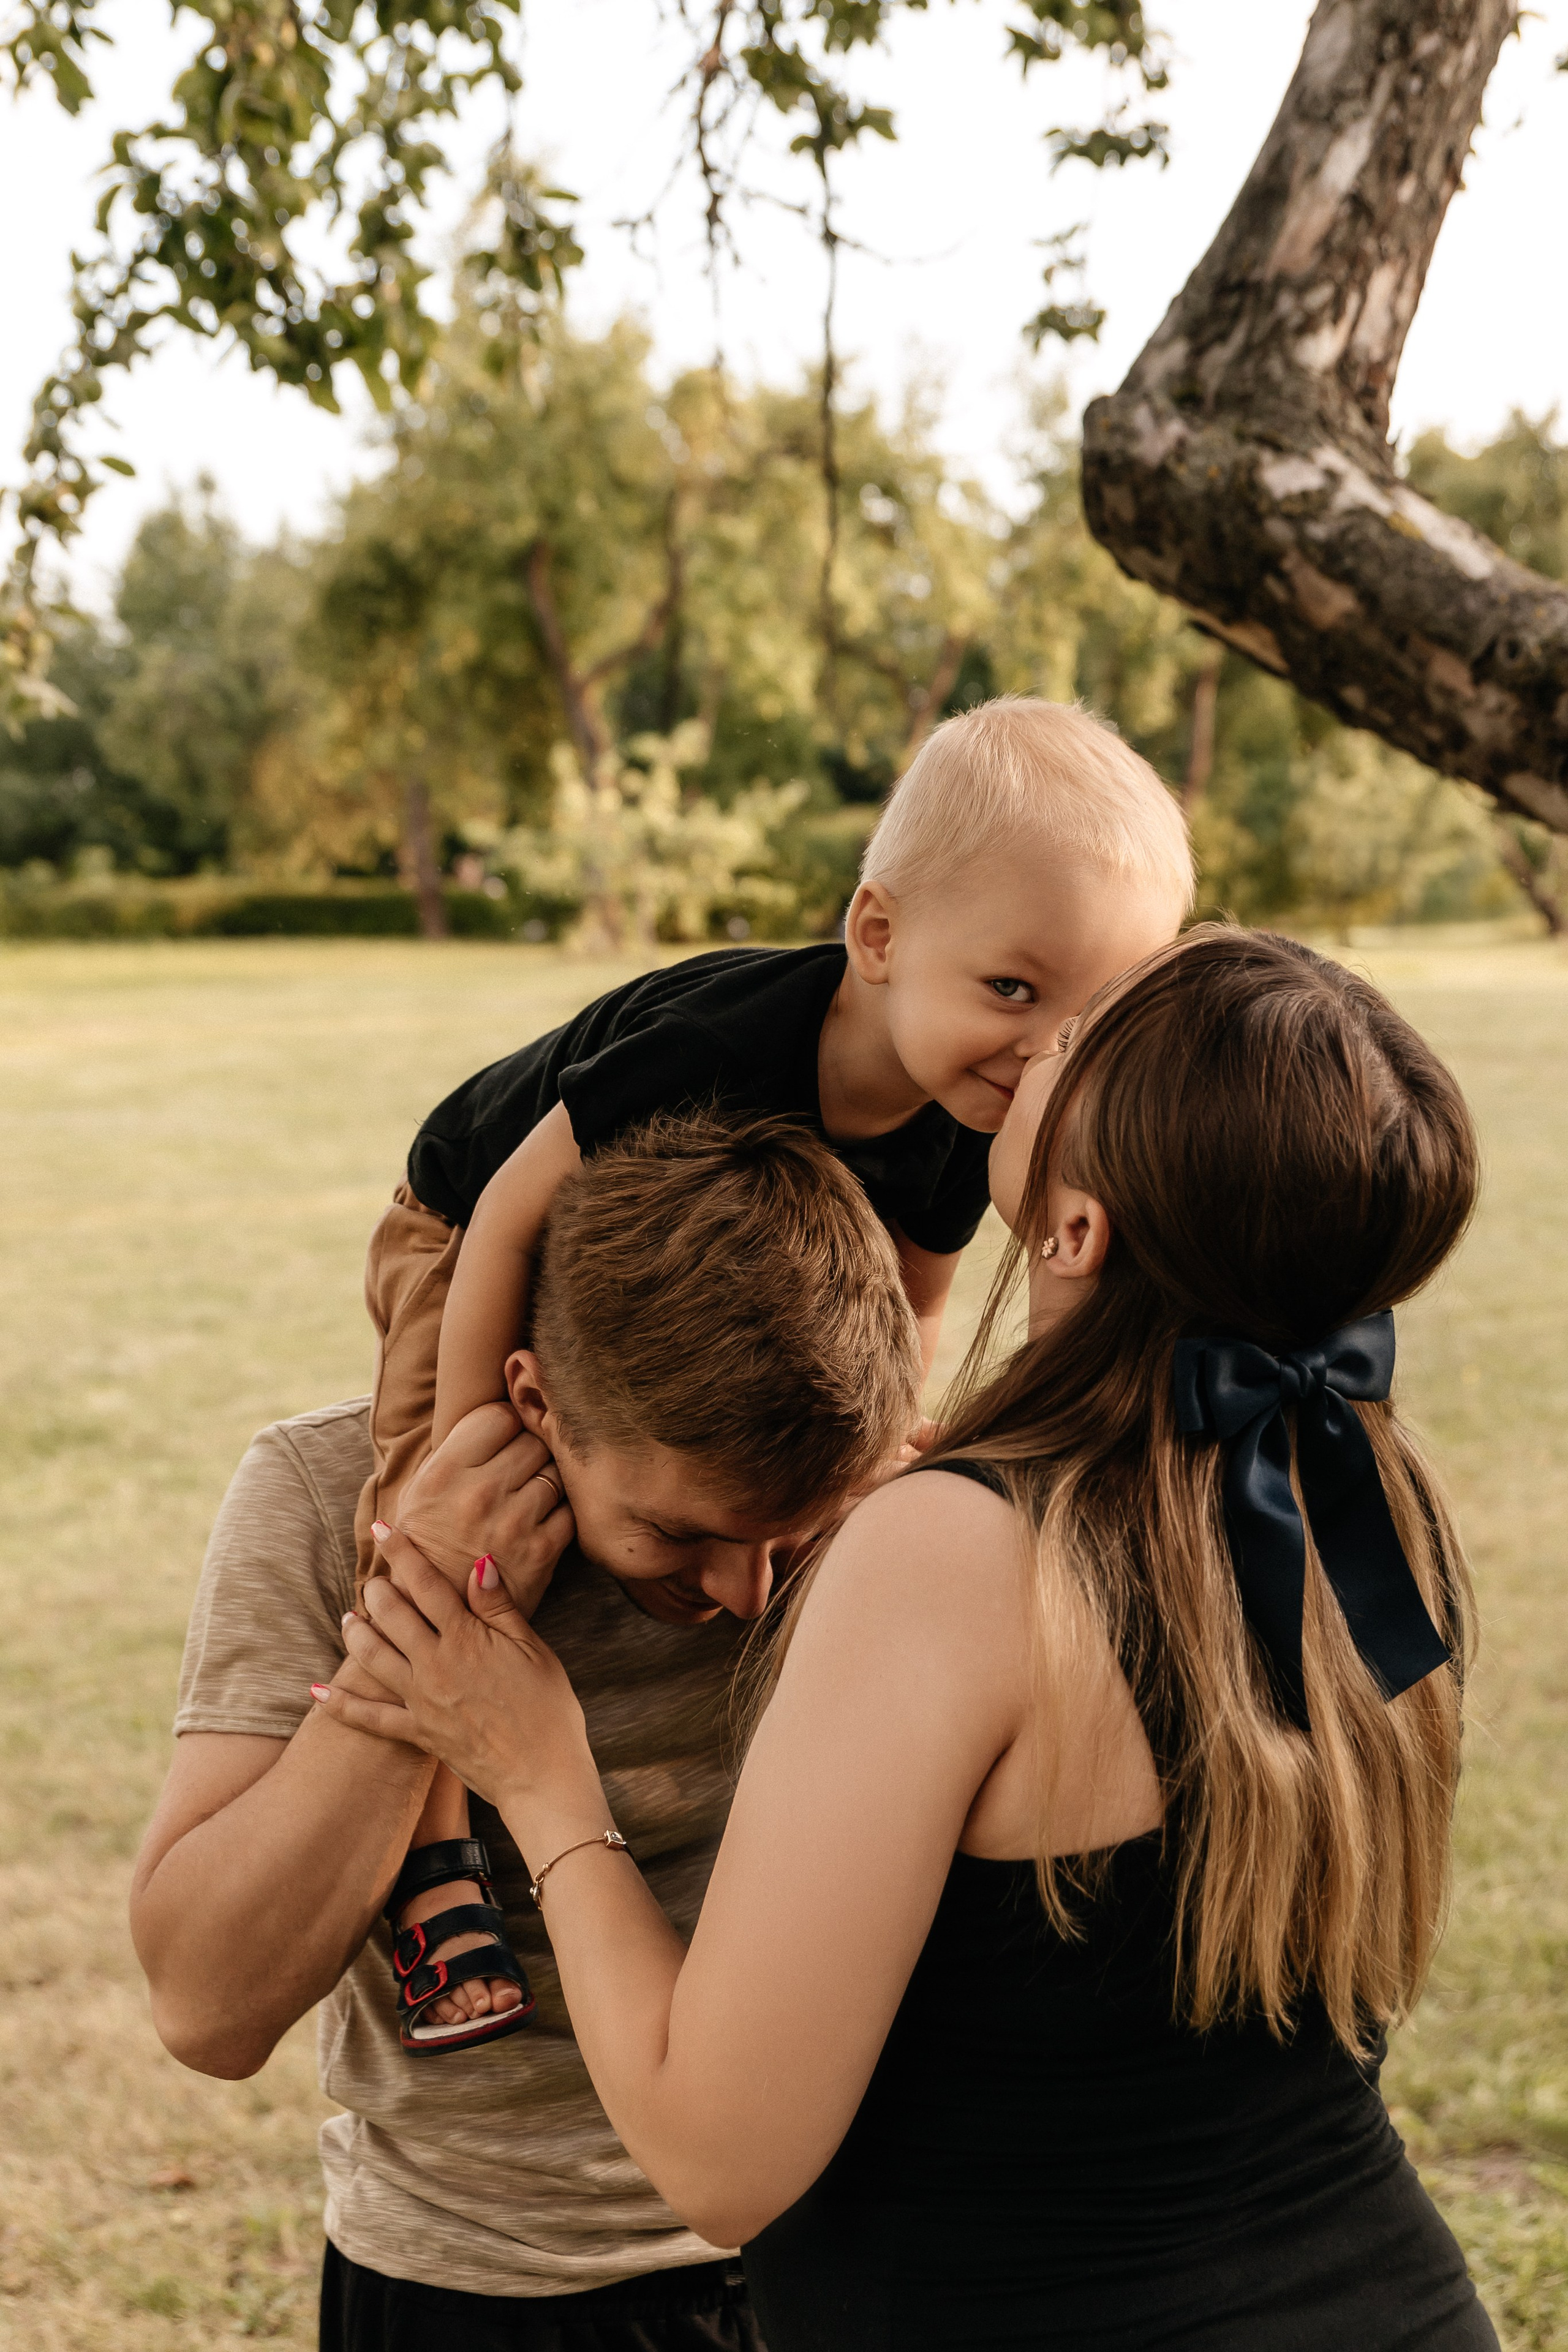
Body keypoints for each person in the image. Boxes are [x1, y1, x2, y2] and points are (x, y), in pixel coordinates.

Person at [322, 927, 1500, 2350]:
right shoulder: (1370, 1504)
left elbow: (719, 2162)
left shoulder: (959, 1557)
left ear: (1072, 1232)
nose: (1032, 1043)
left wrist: (538, 1771)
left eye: (1073, 1042)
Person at [355, 695, 1196, 2047]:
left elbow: (911, 1297)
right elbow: (512, 1215)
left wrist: (869, 1462)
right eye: (1008, 990)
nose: (1037, 1052)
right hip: (461, 1228)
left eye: (1081, 1019)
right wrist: (474, 1440)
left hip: (651, 1289)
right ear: (876, 936)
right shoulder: (727, 1045)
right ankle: (434, 1858)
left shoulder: (953, 1123)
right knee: (428, 1524)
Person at [131, 1114, 923, 2350]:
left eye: (790, 1534)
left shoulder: (902, 1518)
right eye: (677, 1534)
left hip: (836, 2261)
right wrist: (426, 1626)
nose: (747, 1593)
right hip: (478, 2292)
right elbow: (207, 2010)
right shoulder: (321, 1498)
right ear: (534, 1401)